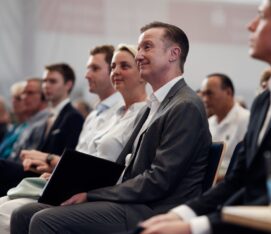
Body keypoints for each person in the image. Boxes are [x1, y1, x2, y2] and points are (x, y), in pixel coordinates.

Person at [11, 22, 211, 234]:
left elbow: (159, 181)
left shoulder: (185, 105)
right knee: (23, 213)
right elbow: (119, 169)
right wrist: (75, 186)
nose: (139, 55)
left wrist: (93, 194)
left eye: (147, 47)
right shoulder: (155, 105)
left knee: (44, 221)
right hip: (134, 202)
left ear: (173, 54)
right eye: (139, 48)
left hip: (156, 209)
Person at [139, 0, 271, 233]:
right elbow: (239, 180)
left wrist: (197, 226)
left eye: (261, 17)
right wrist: (181, 214)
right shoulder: (264, 100)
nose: (250, 26)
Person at [0, 44, 147, 234]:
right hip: (78, 186)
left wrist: (53, 163)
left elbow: (124, 169)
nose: (116, 72)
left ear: (141, 72)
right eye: (112, 67)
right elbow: (84, 158)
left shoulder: (143, 113)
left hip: (100, 193)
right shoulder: (115, 113)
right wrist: (59, 174)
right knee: (7, 206)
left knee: (14, 213)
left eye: (124, 66)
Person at [0, 64, 84, 196]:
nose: (46, 85)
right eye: (45, 81)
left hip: (49, 175)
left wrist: (42, 162)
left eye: (53, 81)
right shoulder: (52, 115)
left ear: (68, 85)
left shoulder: (73, 116)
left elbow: (68, 158)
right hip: (36, 169)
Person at [201, 73, 250, 178]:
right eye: (203, 94)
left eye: (209, 94)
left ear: (228, 92)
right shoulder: (207, 124)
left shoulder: (247, 120)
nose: (205, 99)